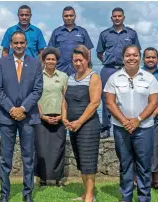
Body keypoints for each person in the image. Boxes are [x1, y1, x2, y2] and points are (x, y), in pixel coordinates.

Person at [104, 45, 158, 202]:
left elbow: (153, 102)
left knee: (144, 165)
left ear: (140, 57)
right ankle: (126, 196)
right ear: (123, 58)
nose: (131, 58)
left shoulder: (150, 78)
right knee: (125, 164)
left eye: (135, 55)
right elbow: (110, 102)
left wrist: (138, 120)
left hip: (144, 128)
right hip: (121, 128)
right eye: (128, 55)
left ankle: (144, 198)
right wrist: (124, 121)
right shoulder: (114, 78)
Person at [0, 30, 43, 202]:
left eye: (22, 43)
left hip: (28, 117)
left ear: (26, 44)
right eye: (16, 43)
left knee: (28, 158)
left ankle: (27, 194)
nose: (19, 46)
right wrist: (11, 109)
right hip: (7, 118)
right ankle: (4, 195)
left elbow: (37, 90)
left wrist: (23, 108)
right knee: (5, 158)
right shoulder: (1, 63)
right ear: (11, 44)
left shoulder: (35, 63)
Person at [62, 45, 101, 202]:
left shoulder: (93, 77)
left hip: (88, 126)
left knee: (88, 161)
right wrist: (65, 118)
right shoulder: (70, 78)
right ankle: (85, 193)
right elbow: (65, 100)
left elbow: (95, 103)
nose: (78, 63)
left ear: (87, 59)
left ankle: (90, 196)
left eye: (80, 60)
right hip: (73, 126)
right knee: (80, 160)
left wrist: (79, 121)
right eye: (75, 60)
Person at [97, 7, 141, 139]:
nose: (117, 18)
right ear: (111, 18)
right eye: (114, 16)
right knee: (106, 98)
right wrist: (108, 61)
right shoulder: (104, 34)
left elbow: (137, 51)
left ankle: (127, 124)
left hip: (126, 69)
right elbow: (99, 52)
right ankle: (105, 128)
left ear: (123, 18)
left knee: (127, 96)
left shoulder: (131, 34)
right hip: (108, 69)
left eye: (119, 16)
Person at [34, 47, 68, 187]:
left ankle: (57, 178)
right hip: (42, 117)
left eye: (53, 59)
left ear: (57, 61)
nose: (50, 61)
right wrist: (42, 116)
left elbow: (66, 98)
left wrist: (62, 116)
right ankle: (42, 178)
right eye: (48, 59)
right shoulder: (37, 76)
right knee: (41, 148)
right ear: (43, 60)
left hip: (59, 117)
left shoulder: (63, 77)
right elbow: (34, 98)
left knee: (58, 149)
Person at [138, 47, 158, 191]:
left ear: (157, 59)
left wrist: (155, 112)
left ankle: (155, 181)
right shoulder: (137, 74)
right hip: (139, 119)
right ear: (143, 59)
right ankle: (135, 180)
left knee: (157, 150)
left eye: (153, 57)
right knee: (139, 150)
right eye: (148, 57)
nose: (151, 60)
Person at [48, 6, 94, 76]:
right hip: (60, 70)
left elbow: (88, 51)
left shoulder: (82, 31)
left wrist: (88, 68)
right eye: (66, 16)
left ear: (75, 16)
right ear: (62, 17)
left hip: (78, 70)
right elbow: (50, 52)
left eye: (71, 15)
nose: (69, 18)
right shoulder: (56, 32)